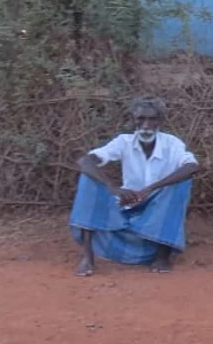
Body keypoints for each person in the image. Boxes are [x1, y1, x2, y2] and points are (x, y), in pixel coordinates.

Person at [69, 96, 199, 276]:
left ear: (160, 121)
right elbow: (86, 161)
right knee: (88, 179)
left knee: (180, 184)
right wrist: (113, 188)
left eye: (152, 119)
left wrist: (150, 189)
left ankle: (162, 255)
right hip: (125, 203)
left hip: (156, 207)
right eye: (141, 119)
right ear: (134, 120)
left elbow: (191, 166)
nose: (145, 125)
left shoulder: (172, 143)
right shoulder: (124, 141)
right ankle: (88, 257)